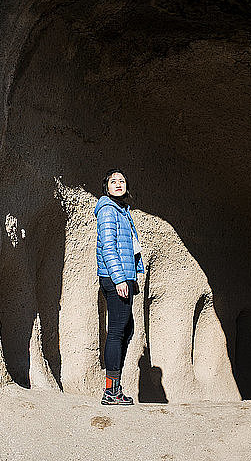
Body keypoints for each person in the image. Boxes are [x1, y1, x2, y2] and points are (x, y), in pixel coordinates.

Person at [94, 169, 145, 405]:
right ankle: (110, 391)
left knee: (125, 330)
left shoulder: (122, 211)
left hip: (124, 277)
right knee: (116, 332)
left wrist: (131, 276)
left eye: (122, 181)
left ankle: (114, 387)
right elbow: (108, 247)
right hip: (116, 278)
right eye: (113, 181)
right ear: (106, 187)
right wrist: (119, 279)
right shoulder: (107, 210)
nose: (118, 184)